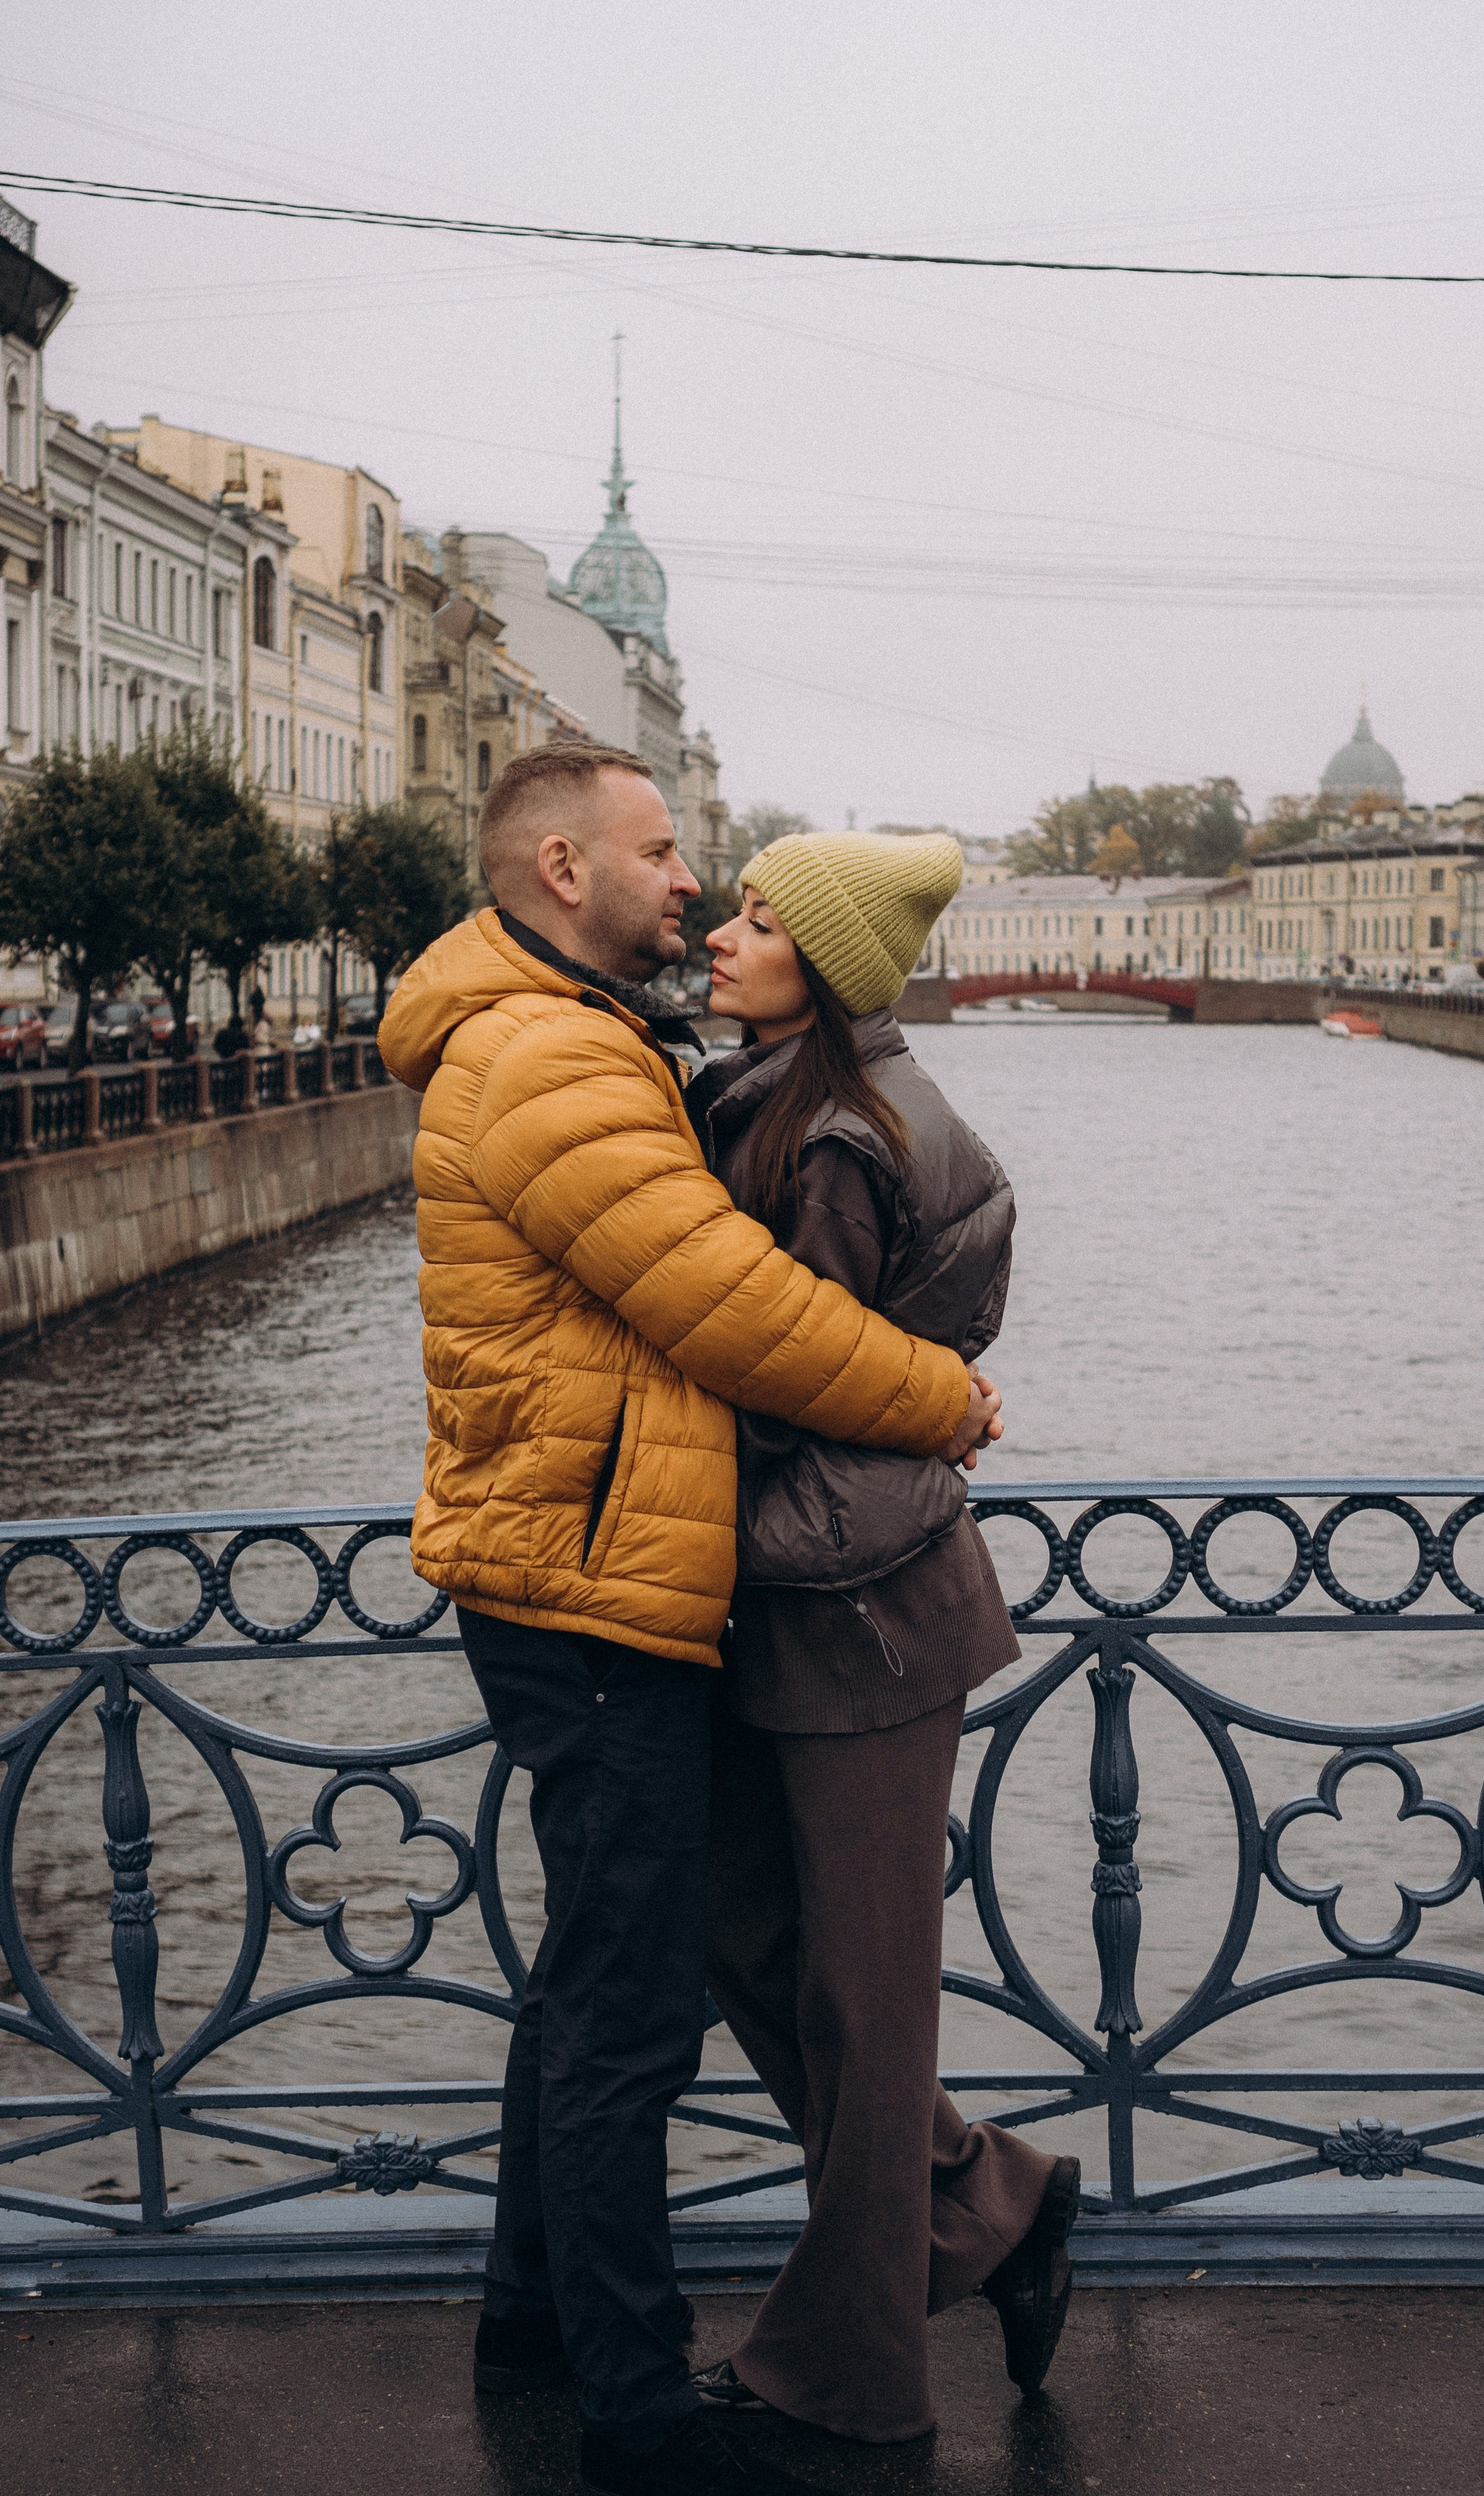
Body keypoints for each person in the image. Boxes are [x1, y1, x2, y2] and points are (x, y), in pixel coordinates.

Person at [377, 745, 1001, 2496]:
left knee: (594, 1973)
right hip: (592, 1587)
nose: (690, 885)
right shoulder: (551, 1054)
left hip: (579, 1561)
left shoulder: (560, 1033)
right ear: (563, 867)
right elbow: (730, 1306)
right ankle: (635, 2408)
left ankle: (529, 2322)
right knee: (633, 2011)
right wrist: (937, 1397)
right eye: (665, 856)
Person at [682, 834, 1079, 2448]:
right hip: (816, 1589)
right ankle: (994, 2202)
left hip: (859, 1609)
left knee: (857, 1996)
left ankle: (851, 2378)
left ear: (829, 968)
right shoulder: (786, 1096)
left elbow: (795, 1372)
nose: (719, 933)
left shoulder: (837, 1135)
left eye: (760, 919)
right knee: (751, 1946)